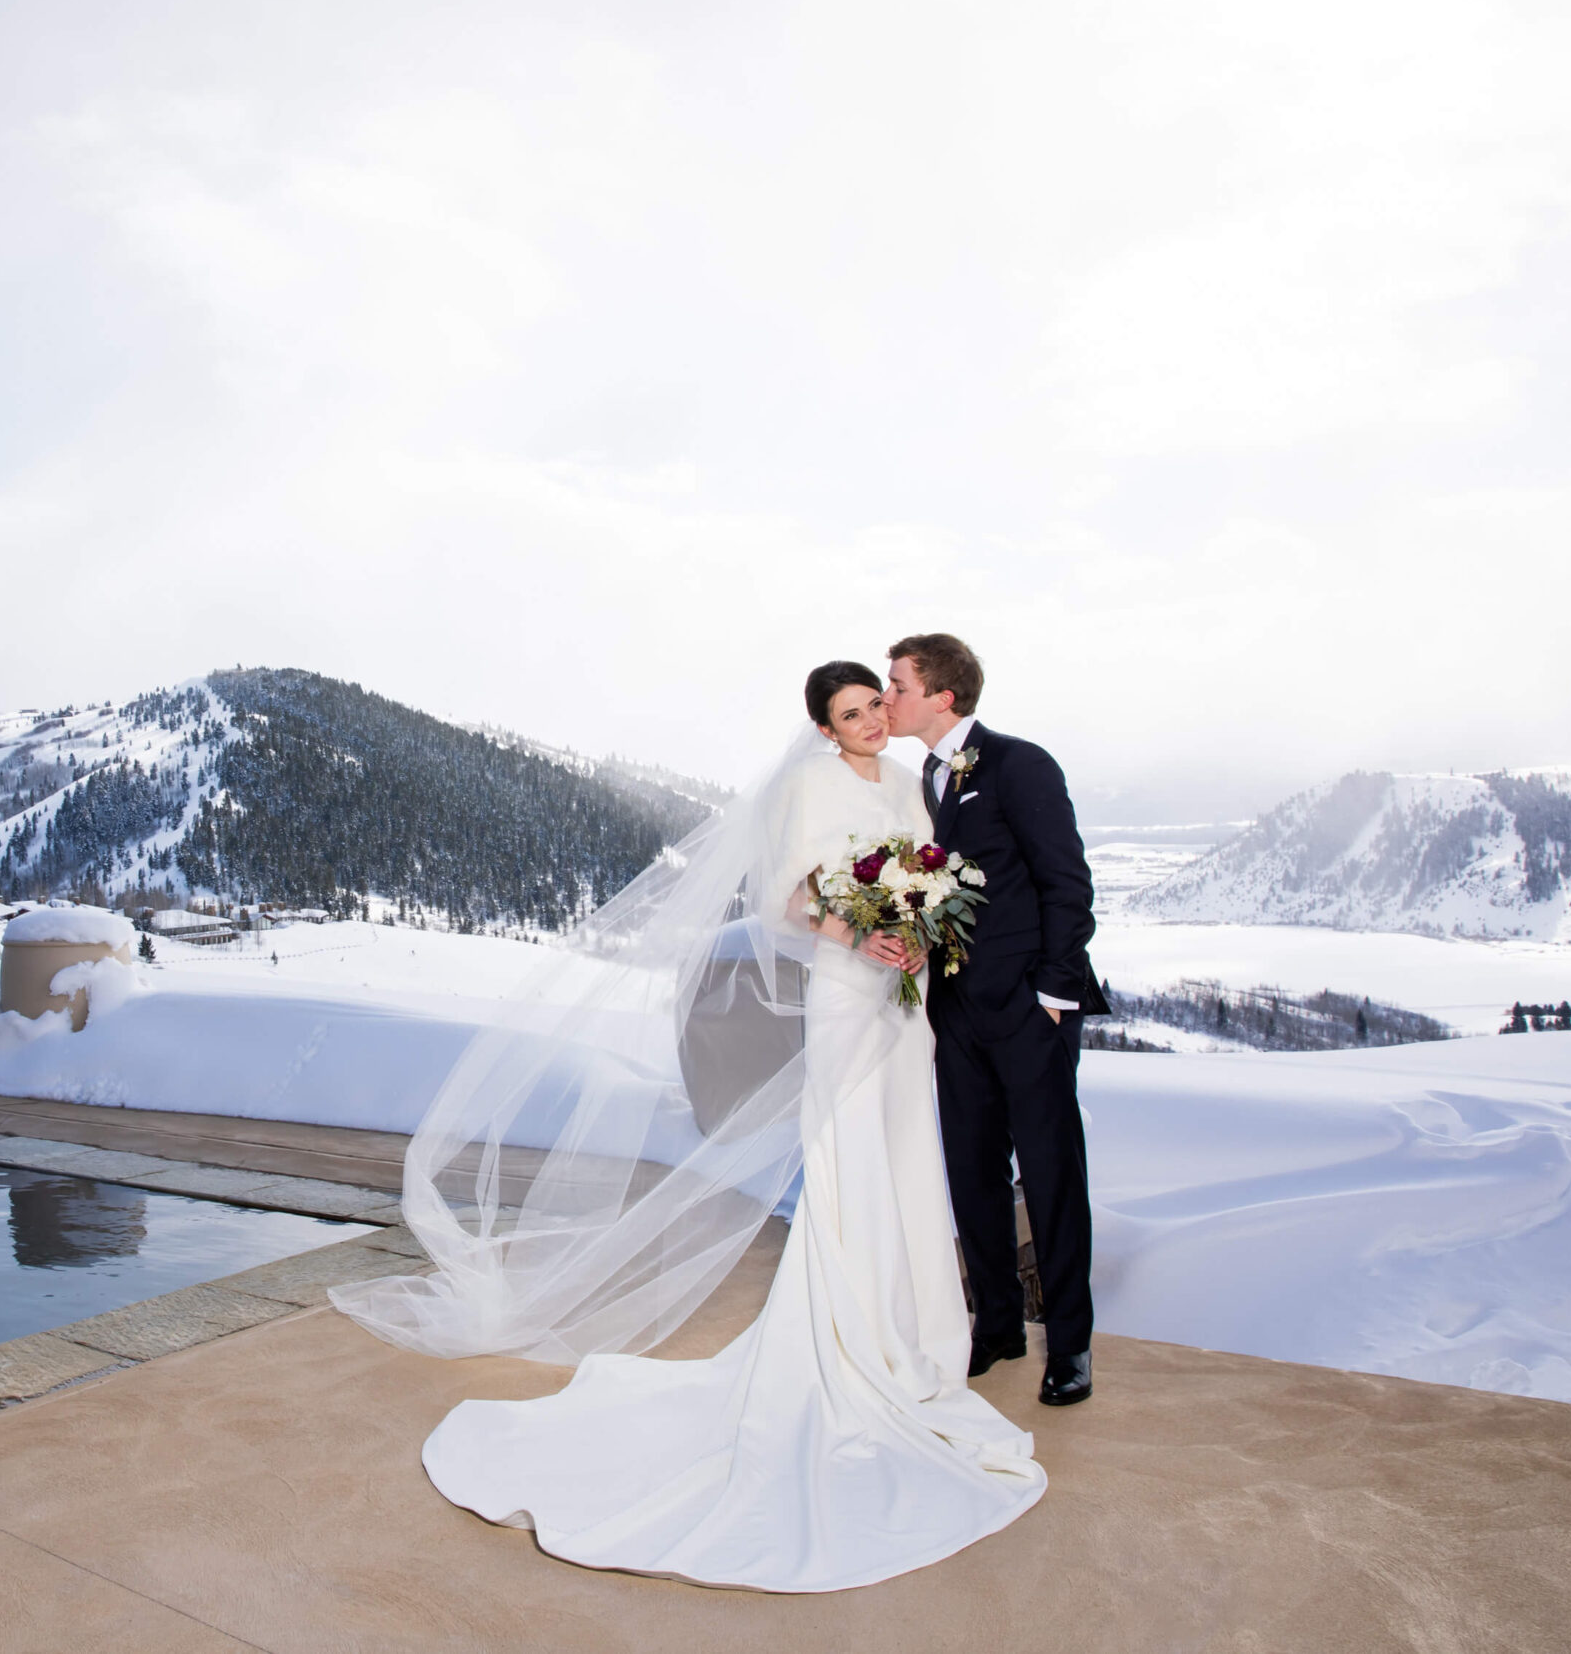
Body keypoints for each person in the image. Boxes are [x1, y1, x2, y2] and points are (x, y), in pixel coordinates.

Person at [332, 660, 1045, 1592]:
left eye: (877, 703)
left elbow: (935, 877)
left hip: (905, 1003)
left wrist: (917, 923)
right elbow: (787, 901)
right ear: (824, 730)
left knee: (911, 1160)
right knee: (850, 1162)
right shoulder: (806, 785)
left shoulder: (912, 783)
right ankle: (847, 1342)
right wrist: (858, 933)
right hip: (846, 995)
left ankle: (917, 1342)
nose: (871, 720)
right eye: (850, 713)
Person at [870, 633, 1105, 1406]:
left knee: (1050, 1177)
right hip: (954, 1013)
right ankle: (998, 1325)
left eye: (897, 684)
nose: (886, 698)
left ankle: (1069, 1345)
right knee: (972, 1174)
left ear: (942, 695)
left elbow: (1067, 884)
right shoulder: (921, 782)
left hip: (1029, 1010)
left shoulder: (1019, 764)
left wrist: (1052, 994)